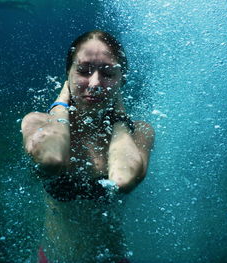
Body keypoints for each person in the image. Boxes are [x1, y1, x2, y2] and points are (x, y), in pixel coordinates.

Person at [21, 30, 154, 263]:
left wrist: (120, 118)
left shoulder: (140, 131)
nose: (94, 84)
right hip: (54, 258)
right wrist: (62, 102)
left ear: (122, 79)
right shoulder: (37, 122)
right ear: (67, 74)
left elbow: (123, 179)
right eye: (83, 71)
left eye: (108, 73)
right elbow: (51, 158)